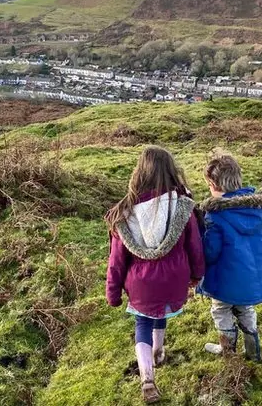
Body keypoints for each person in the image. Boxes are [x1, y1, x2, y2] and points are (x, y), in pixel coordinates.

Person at [105, 146, 205, 404]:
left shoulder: (123, 213)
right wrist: (198, 275)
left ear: (139, 173)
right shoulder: (183, 207)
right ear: (172, 171)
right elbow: (195, 246)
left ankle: (147, 378)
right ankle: (159, 351)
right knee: (161, 311)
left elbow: (116, 262)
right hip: (174, 280)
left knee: (142, 322)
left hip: (140, 284)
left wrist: (113, 293)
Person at [198, 151, 262, 363]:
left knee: (221, 308)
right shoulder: (261, 209)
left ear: (215, 185)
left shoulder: (215, 215)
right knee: (246, 307)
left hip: (225, 278)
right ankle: (254, 350)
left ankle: (228, 351)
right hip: (253, 275)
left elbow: (211, 251)